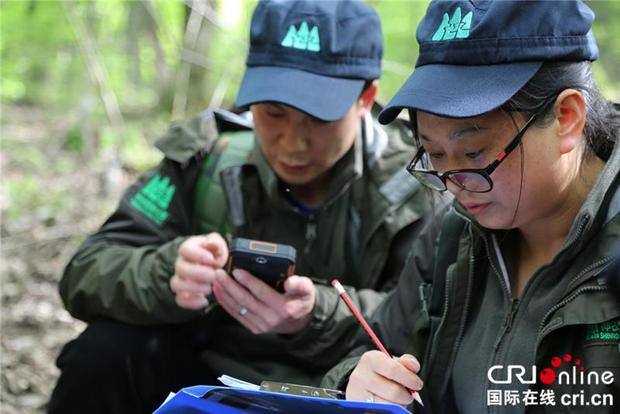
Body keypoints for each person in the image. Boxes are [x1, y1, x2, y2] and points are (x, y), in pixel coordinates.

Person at [47, 1, 436, 413]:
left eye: (318, 117)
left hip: (341, 390)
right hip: (207, 382)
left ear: (365, 97)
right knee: (103, 353)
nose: (292, 142)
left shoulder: (422, 182)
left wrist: (314, 314)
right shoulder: (207, 160)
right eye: (273, 112)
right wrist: (168, 274)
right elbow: (85, 271)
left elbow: (429, 319)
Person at [322, 1, 620, 413]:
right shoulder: (452, 236)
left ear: (567, 116)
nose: (455, 184)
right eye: (434, 154)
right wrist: (356, 384)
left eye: (475, 152)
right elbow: (371, 349)